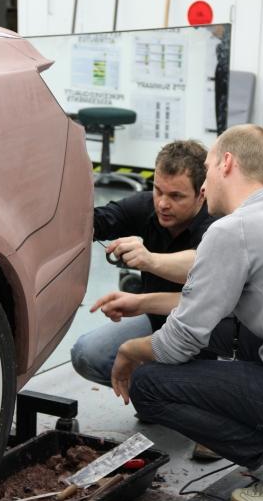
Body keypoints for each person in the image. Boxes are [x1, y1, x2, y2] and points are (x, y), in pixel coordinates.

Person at [93, 124, 263, 501]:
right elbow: (212, 311)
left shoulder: (233, 230)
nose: (205, 183)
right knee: (223, 332)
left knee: (148, 384)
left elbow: (178, 343)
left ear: (226, 163)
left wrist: (128, 350)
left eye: (207, 167)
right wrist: (143, 304)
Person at [71, 139, 216, 387]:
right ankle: (157, 393)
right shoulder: (149, 205)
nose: (162, 203)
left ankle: (168, 393)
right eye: (158, 190)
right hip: (157, 319)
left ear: (201, 194)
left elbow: (205, 265)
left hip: (207, 334)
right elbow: (96, 221)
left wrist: (149, 261)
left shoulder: (217, 222)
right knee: (86, 354)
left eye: (176, 196)